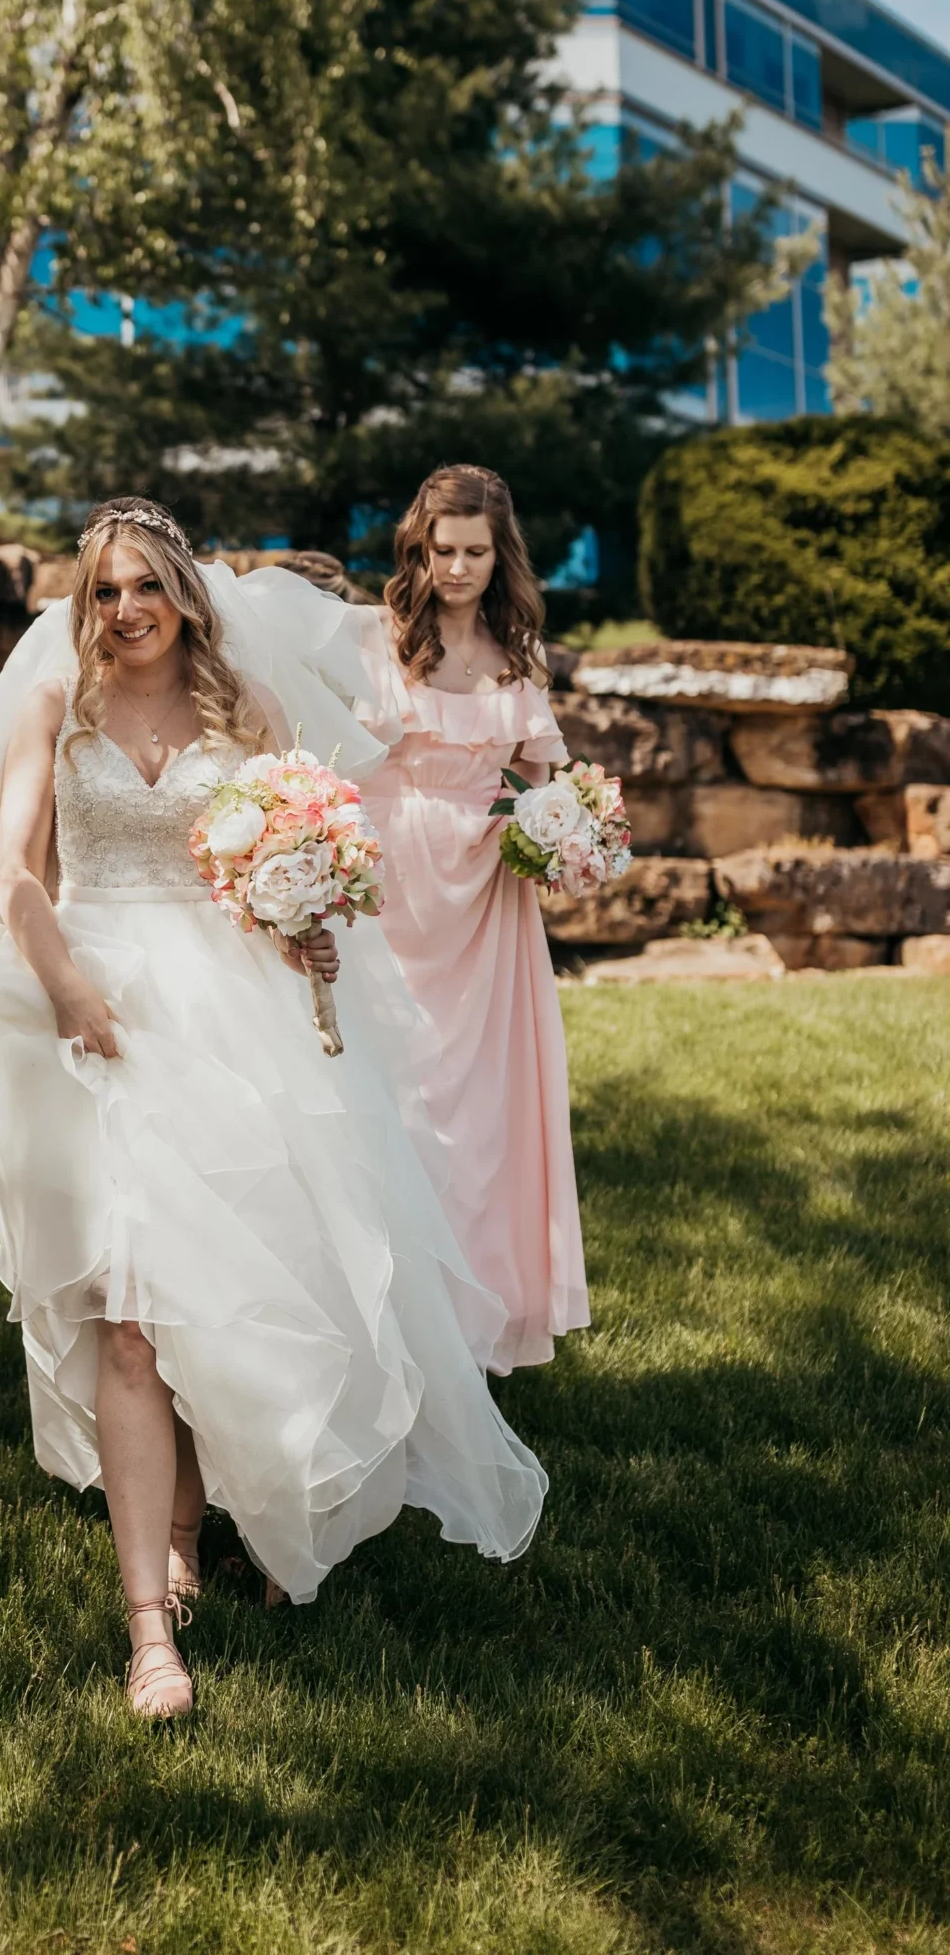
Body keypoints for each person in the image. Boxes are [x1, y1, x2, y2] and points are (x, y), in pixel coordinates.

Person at [0, 496, 546, 1720]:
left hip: (233, 1013)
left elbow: (305, 867)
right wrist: (67, 989)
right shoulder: (55, 700)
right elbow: (13, 874)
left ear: (185, 593)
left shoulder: (247, 707)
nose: (125, 609)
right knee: (130, 1316)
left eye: (146, 586)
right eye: (105, 591)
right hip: (95, 1011)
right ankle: (149, 1623)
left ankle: (211, 1518)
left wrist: (310, 929)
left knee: (231, 1286)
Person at [353, 464, 589, 1374]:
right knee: (398, 1095)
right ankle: (392, 1314)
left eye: (474, 553)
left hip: (487, 900)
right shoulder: (379, 643)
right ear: (418, 549)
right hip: (393, 888)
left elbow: (539, 780)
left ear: (500, 555)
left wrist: (561, 836)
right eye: (441, 550)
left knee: (482, 1110)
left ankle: (472, 1321)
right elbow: (341, 761)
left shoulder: (518, 653)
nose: (456, 569)